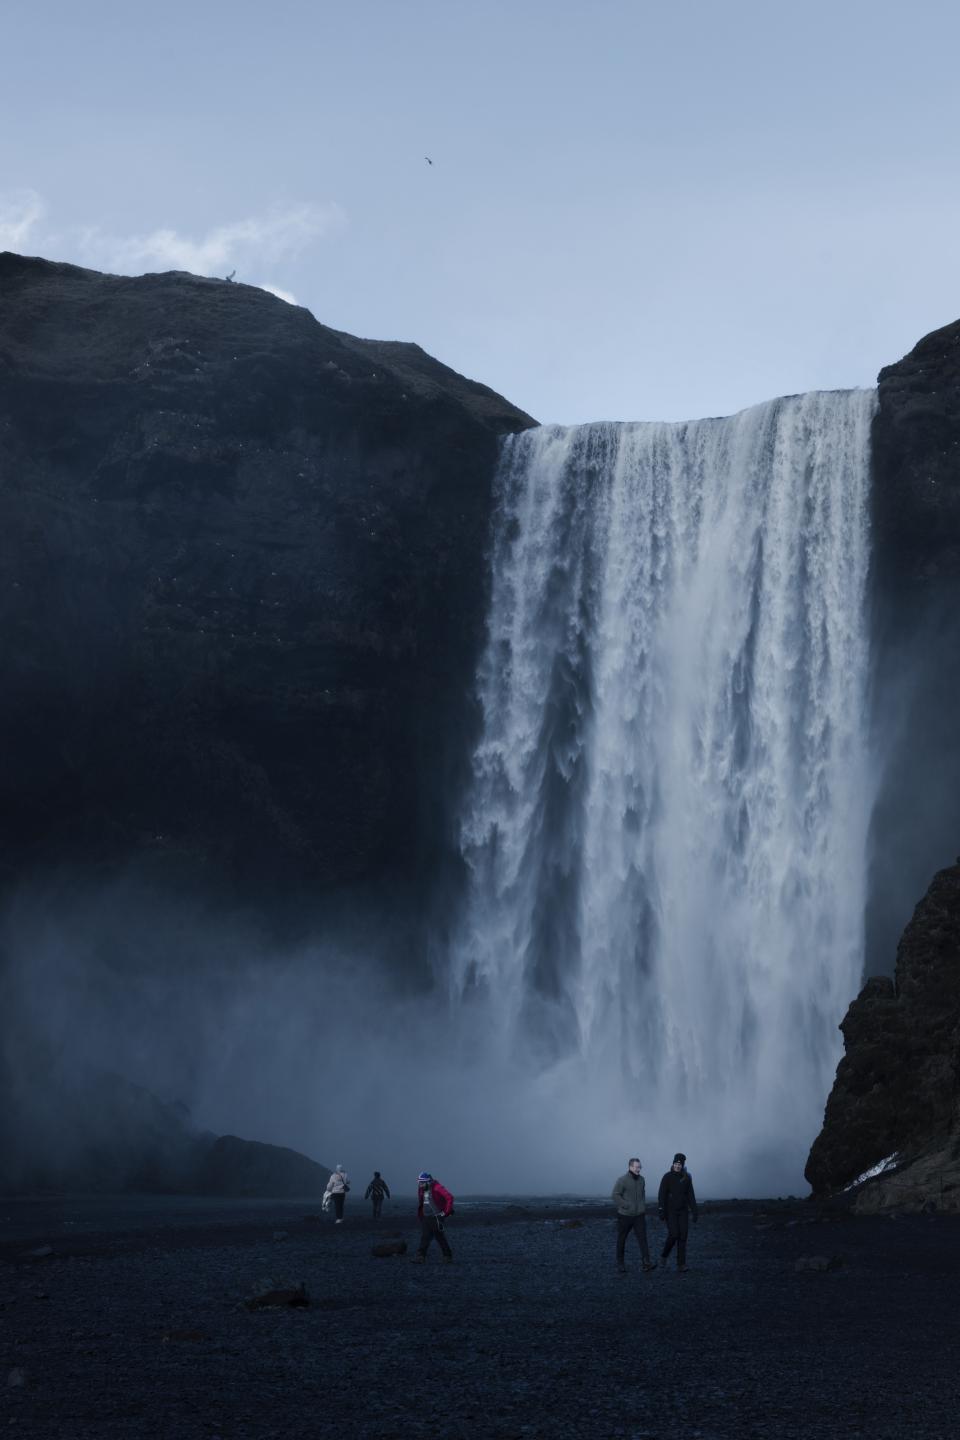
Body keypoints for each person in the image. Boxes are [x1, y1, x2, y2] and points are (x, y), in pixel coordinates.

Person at [612, 1157, 655, 1273]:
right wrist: (626, 1205)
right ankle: (620, 1263)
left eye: (639, 1167)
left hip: (639, 1215)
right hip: (625, 1215)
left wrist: (642, 1207)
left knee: (643, 1239)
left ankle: (646, 1263)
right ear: (630, 1167)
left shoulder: (642, 1180)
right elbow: (615, 1195)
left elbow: (642, 1195)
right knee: (622, 1239)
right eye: (636, 1167)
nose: (638, 1169)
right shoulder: (622, 1180)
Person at [658, 1152, 698, 1271]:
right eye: (675, 1163)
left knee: (683, 1236)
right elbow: (661, 1195)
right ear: (673, 1164)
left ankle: (681, 1264)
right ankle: (664, 1256)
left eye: (679, 1164)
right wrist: (661, 1209)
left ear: (682, 1165)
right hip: (670, 1211)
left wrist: (695, 1211)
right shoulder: (667, 1177)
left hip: (683, 1211)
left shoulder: (686, 1178)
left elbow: (691, 1195)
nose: (677, 1166)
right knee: (674, 1234)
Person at [412, 1171, 454, 1263]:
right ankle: (421, 1257)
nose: (420, 1184)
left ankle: (447, 1256)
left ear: (427, 1181)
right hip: (426, 1217)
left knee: (439, 1237)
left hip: (437, 1216)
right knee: (425, 1237)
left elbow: (449, 1197)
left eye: (422, 1182)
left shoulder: (437, 1187)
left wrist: (446, 1212)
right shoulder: (421, 1189)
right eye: (419, 1182)